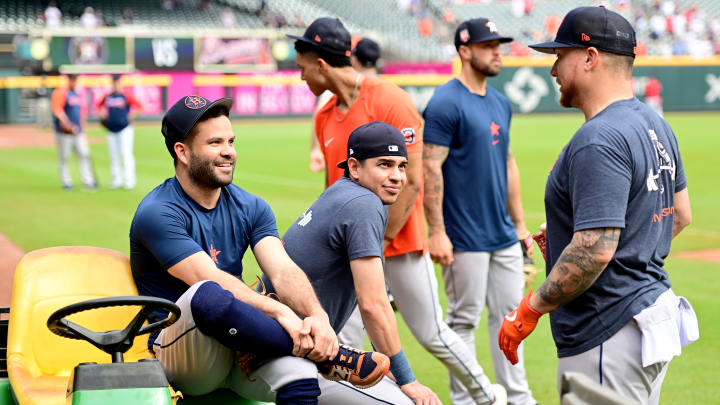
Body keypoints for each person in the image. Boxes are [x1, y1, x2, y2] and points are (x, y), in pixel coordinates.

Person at [291, 17, 507, 405]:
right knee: (344, 342)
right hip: (350, 253)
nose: (300, 75)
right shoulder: (324, 116)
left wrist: (382, 237)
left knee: (432, 332)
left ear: (320, 64)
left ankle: (488, 396)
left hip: (400, 240)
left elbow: (411, 176)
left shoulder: (386, 97)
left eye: (303, 65)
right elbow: (334, 191)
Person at [129, 95, 390, 404]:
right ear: (182, 152)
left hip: (241, 344)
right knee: (207, 293)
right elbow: (207, 277)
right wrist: (283, 314)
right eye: (215, 143)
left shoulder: (251, 206)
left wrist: (317, 317)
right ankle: (328, 357)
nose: (229, 152)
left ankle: (311, 352)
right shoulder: (158, 211)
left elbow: (283, 270)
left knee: (300, 373)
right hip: (181, 353)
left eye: (230, 141)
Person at [499, 7, 698, 405]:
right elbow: (679, 214)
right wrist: (566, 238)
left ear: (589, 58)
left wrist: (530, 309)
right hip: (649, 312)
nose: (553, 70)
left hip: (608, 326)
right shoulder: (654, 123)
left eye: (560, 56)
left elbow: (595, 248)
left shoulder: (599, 138)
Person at [264, 121, 445, 405]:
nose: (397, 176)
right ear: (354, 167)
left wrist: (393, 368)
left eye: (401, 166)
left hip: (277, 340)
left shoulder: (343, 192)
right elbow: (373, 306)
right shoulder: (364, 204)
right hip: (281, 357)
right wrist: (409, 380)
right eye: (384, 165)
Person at [422, 18, 537, 405]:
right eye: (489, 45)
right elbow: (430, 166)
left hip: (502, 234)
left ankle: (519, 399)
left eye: (498, 45)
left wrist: (520, 227)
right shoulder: (445, 101)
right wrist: (436, 231)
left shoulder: (501, 102)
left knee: (511, 320)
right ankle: (469, 400)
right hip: (464, 236)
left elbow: (507, 163)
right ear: (465, 50)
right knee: (464, 321)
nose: (497, 51)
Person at [308, 37, 381, 174]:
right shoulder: (390, 91)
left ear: (355, 60)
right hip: (378, 172)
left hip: (345, 170)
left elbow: (320, 111)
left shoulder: (342, 88)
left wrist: (315, 149)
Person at [51, 74, 97, 190]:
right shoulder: (61, 92)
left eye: (75, 80)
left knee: (84, 154)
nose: (74, 82)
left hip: (78, 131)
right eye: (72, 80)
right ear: (69, 80)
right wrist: (68, 124)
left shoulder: (77, 94)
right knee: (64, 157)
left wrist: (83, 128)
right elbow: (57, 110)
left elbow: (81, 113)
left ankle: (88, 181)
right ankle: (66, 182)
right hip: (65, 132)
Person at [96, 75, 142, 189]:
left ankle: (129, 181)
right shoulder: (108, 96)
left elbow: (139, 106)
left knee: (126, 154)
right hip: (111, 129)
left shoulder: (125, 95)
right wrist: (103, 114)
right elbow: (98, 105)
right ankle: (117, 180)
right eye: (114, 83)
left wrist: (130, 116)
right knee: (114, 156)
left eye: (117, 83)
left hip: (124, 129)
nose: (115, 85)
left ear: (120, 84)